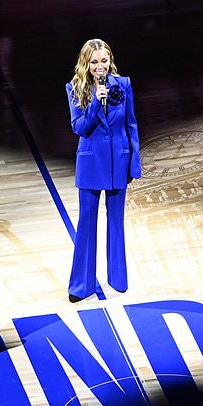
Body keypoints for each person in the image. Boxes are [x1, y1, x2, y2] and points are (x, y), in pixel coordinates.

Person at [65, 39, 141, 302]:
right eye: (95, 62)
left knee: (116, 222)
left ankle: (118, 279)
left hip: (118, 162)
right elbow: (79, 127)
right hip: (90, 164)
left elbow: (131, 125)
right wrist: (96, 102)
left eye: (104, 61)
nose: (101, 66)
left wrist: (134, 163)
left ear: (110, 60)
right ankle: (80, 286)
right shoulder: (75, 89)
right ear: (86, 64)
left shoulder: (124, 85)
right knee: (87, 223)